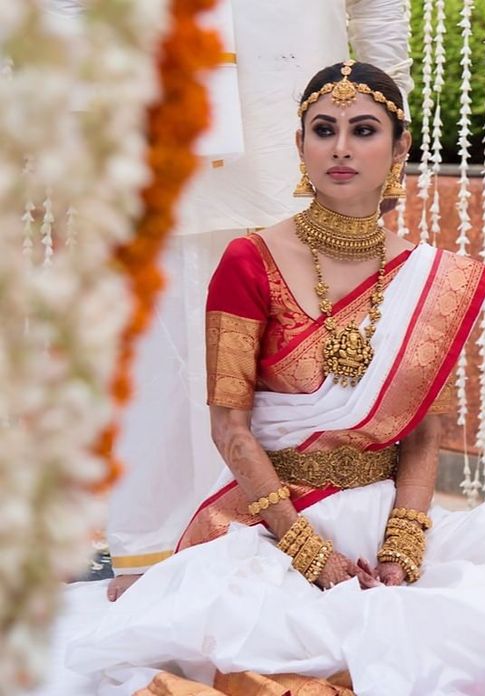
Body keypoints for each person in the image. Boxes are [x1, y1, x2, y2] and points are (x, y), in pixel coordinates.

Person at [68, 62, 485, 696]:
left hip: (384, 515)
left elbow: (424, 431)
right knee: (288, 640)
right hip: (268, 522)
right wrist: (308, 552)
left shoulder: (431, 280)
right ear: (300, 146)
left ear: (398, 148)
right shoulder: (247, 261)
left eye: (363, 129)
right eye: (323, 129)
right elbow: (230, 427)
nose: (341, 147)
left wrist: (403, 543)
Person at [106, 0, 413, 600]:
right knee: (155, 354)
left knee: (298, 361)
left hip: (298, 128)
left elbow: (378, 10)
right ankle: (159, 550)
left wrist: (387, 129)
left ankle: (294, 543)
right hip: (147, 120)